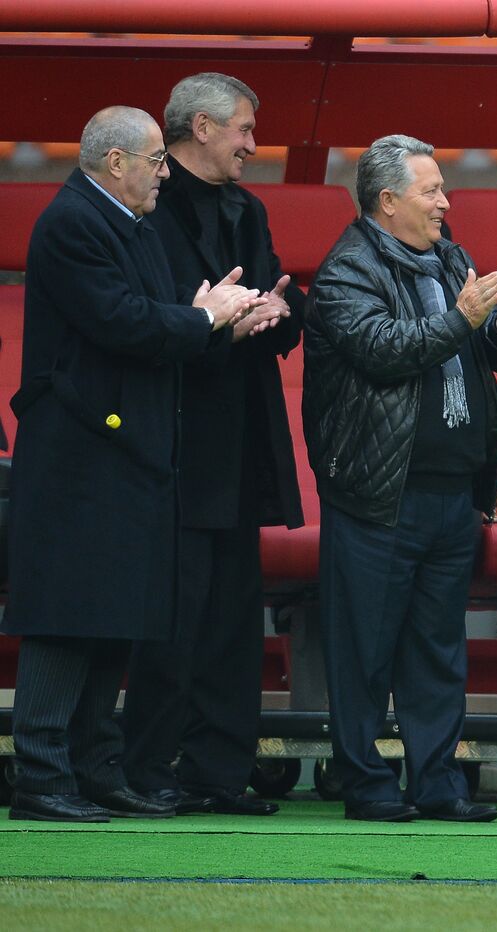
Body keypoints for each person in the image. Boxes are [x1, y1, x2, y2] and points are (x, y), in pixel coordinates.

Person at [3, 106, 259, 822]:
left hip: (125, 453)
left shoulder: (129, 224)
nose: (163, 171)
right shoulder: (73, 223)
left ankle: (93, 766)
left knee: (112, 612)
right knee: (67, 616)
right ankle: (42, 776)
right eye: (154, 159)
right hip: (80, 457)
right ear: (116, 163)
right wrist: (201, 318)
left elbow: (157, 324)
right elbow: (120, 321)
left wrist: (214, 318)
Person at [304, 134, 497, 822]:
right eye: (431, 190)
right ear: (388, 201)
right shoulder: (347, 268)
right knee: (365, 652)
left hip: (453, 491)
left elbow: (478, 355)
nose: (446, 201)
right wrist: (462, 317)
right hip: (379, 494)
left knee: (438, 650)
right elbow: (383, 351)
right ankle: (365, 782)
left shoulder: (450, 257)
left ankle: (437, 781)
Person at [122, 72, 304, 817]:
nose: (253, 146)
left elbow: (273, 302)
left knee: (233, 615)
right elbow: (144, 321)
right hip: (172, 439)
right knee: (172, 615)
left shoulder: (246, 208)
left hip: (240, 439)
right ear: (200, 127)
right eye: (243, 131)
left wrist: (273, 315)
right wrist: (216, 319)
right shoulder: (147, 208)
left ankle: (219, 772)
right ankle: (148, 768)